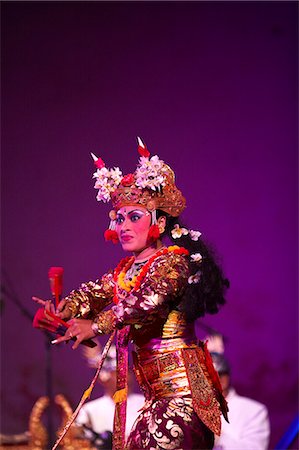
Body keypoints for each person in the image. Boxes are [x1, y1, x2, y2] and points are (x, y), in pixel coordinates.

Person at [33, 137, 229, 450]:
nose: (123, 225)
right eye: (119, 218)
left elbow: (145, 301)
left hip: (184, 397)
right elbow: (92, 293)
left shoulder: (172, 261)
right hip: (156, 400)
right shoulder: (125, 272)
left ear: (160, 222)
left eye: (134, 217)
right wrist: (63, 310)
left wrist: (96, 325)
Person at [207, 336, 270, 450]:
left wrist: (216, 436)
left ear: (227, 377)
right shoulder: (185, 407)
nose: (215, 379)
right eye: (209, 375)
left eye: (220, 374)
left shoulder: (254, 411)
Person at [76, 342, 144, 445]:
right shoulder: (89, 410)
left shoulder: (144, 403)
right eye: (117, 372)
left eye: (127, 371)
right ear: (103, 378)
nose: (125, 377)